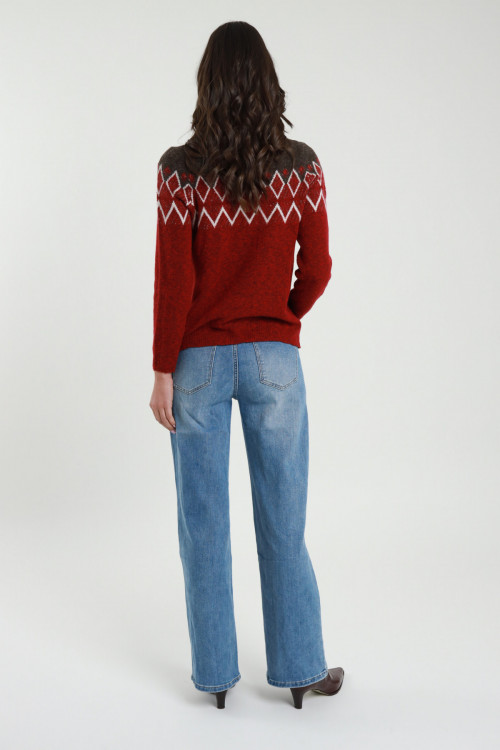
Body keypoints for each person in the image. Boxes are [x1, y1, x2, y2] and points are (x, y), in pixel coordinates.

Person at [149, 20, 344, 710]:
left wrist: (162, 369)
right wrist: (281, 316)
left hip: (196, 361)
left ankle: (216, 678)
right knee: (284, 520)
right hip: (275, 361)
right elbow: (317, 268)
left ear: (207, 84)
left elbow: (174, 279)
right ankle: (300, 669)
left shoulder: (180, 169)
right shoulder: (301, 165)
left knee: (202, 525)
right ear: (267, 82)